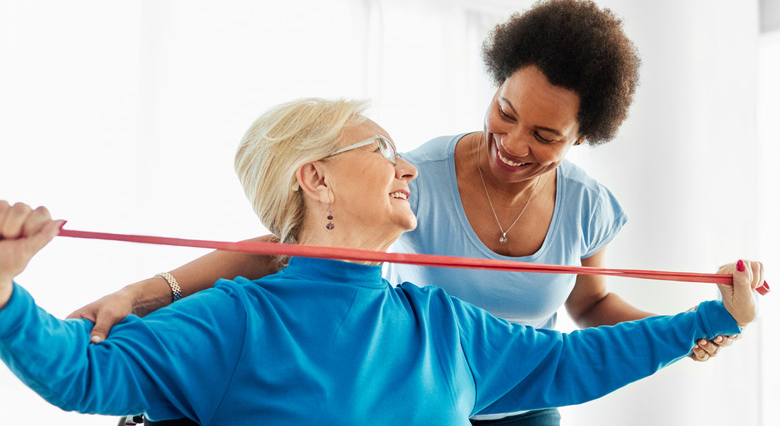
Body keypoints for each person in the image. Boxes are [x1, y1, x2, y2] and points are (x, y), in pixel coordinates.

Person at [68, 0, 746, 426]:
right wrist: (141, 292)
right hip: (420, 376)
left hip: (521, 379)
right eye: (505, 113)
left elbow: (590, 305)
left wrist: (683, 329)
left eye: (544, 136)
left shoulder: (591, 207)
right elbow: (291, 245)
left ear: (581, 138)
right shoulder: (412, 175)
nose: (512, 143)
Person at [0, 98, 764, 425]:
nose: (407, 170)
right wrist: (4, 289)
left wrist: (710, 316)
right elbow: (80, 371)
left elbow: (574, 361)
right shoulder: (234, 320)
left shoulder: (443, 325)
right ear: (315, 176)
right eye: (382, 152)